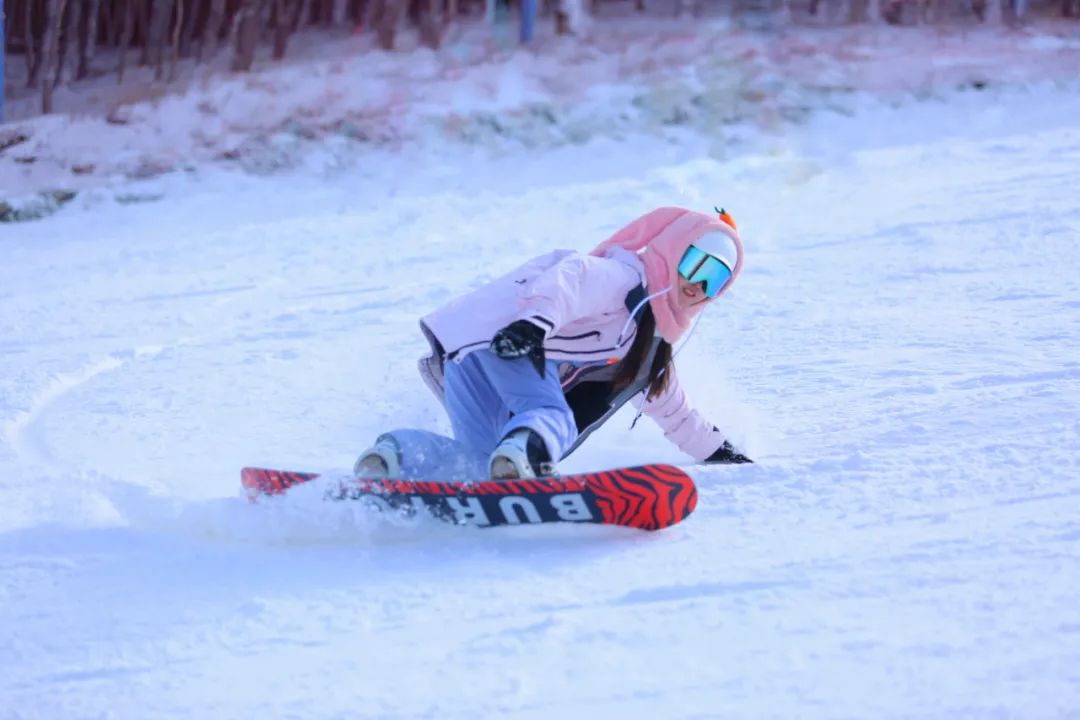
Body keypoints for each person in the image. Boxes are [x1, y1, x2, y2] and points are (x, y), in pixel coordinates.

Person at [355, 205, 753, 481]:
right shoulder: (626, 279)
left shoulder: (650, 346)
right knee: (552, 415)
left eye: (714, 280)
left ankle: (393, 456)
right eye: (695, 264)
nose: (698, 285)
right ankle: (527, 462)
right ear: (672, 249)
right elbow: (571, 277)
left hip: (468, 353)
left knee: (482, 462)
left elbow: (676, 414)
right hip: (509, 335)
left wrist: (727, 456)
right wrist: (533, 325)